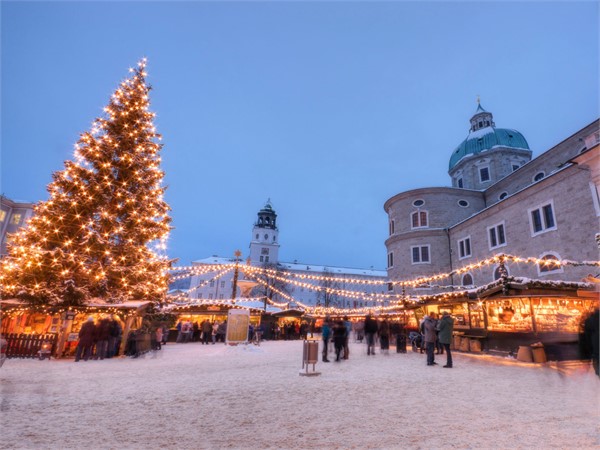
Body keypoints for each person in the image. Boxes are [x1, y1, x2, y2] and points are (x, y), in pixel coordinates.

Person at [582, 307, 599, 377]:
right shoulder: (590, 322)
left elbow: (586, 341)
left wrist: (587, 358)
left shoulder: (589, 321)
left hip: (596, 355)